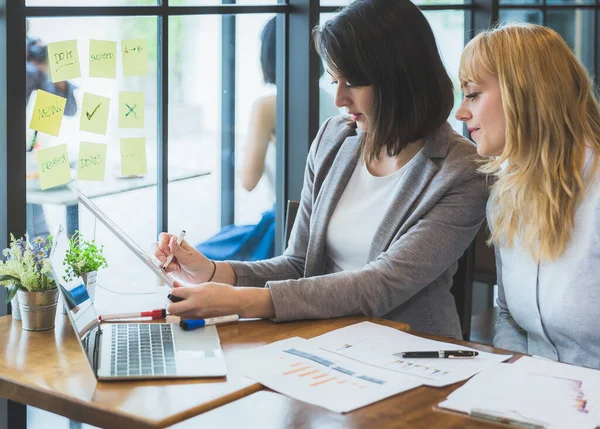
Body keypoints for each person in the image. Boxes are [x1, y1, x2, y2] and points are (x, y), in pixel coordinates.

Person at [154, 0, 487, 338]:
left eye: (353, 83)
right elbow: (299, 264)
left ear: (399, 79)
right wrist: (212, 272)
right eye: (334, 82)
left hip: (411, 354)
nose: (340, 99)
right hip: (322, 342)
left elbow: (380, 284)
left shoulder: (462, 172)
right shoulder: (334, 138)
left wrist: (240, 301)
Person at [455, 24, 600, 368]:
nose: (461, 112)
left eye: (473, 94)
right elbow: (510, 318)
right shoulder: (504, 198)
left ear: (524, 93)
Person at [196, 16, 338, 261]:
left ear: (269, 55)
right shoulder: (329, 98)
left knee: (194, 257)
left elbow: (248, 180)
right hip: (327, 219)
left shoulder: (268, 106)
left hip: (287, 224)